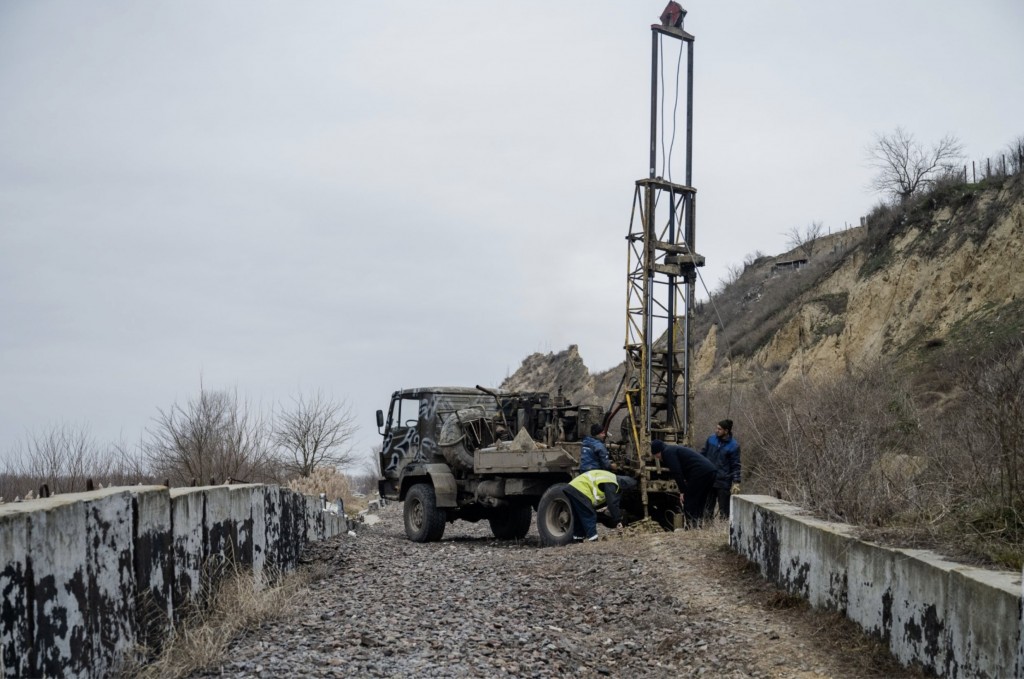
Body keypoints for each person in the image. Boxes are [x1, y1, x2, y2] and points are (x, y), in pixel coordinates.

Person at [650, 439, 718, 526]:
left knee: (689, 500)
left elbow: (677, 472)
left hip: (700, 473)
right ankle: (698, 526)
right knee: (700, 501)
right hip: (711, 471)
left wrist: (682, 491)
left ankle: (691, 527)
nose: (657, 458)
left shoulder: (667, 453)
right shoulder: (674, 449)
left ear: (658, 451)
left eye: (656, 455)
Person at [564, 469, 637, 541]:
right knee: (589, 514)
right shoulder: (611, 483)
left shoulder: (611, 478)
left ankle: (578, 539)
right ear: (625, 486)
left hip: (572, 487)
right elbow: (612, 503)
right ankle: (593, 540)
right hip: (579, 488)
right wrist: (618, 520)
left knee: (578, 516)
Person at [701, 419, 742, 519]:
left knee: (724, 510)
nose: (716, 430)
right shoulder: (711, 439)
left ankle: (723, 531)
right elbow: (702, 455)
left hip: (723, 482)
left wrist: (736, 481)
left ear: (726, 431)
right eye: (717, 428)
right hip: (709, 479)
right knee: (707, 508)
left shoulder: (734, 446)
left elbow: (735, 465)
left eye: (719, 429)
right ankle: (707, 529)